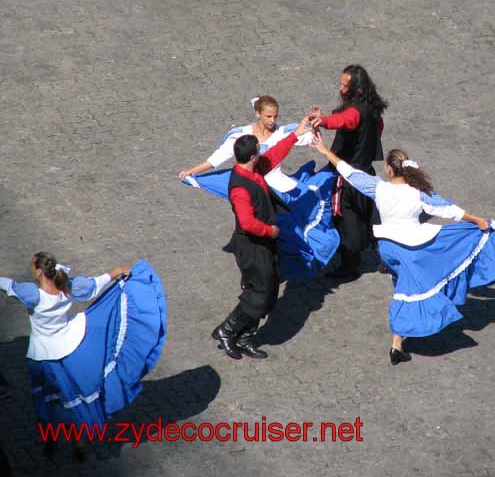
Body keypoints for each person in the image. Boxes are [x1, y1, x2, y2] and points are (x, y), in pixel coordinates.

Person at [311, 136, 495, 365]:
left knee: (403, 284)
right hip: (412, 250)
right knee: (413, 287)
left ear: (388, 169)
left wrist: (324, 149)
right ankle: (402, 333)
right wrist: (476, 220)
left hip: (387, 250)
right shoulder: (419, 193)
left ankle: (398, 343)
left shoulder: (378, 187)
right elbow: (449, 211)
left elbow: (348, 172)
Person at [0, 253, 167, 459]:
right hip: (71, 347)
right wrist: (117, 272)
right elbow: (95, 285)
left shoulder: (33, 294)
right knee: (73, 395)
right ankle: (79, 443)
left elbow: (7, 284)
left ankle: (51, 440)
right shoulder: (67, 285)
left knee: (47, 399)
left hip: (43, 355)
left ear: (39, 271)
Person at [179, 96, 339, 280]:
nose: (272, 121)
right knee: (258, 222)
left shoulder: (282, 134)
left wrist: (314, 123)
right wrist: (191, 171)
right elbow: (215, 160)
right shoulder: (243, 138)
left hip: (278, 190)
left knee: (290, 225)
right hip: (256, 188)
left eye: (275, 117)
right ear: (258, 114)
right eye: (268, 116)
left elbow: (301, 142)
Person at [212, 119, 309, 360]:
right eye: (259, 151)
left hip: (263, 245)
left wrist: (296, 134)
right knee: (259, 292)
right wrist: (270, 231)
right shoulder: (240, 187)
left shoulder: (254, 170)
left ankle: (245, 337)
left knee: (269, 288)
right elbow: (247, 223)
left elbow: (275, 155)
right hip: (252, 246)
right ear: (253, 155)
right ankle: (227, 330)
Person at [308, 65, 388, 278]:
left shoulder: (355, 111)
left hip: (348, 174)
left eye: (345, 85)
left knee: (345, 216)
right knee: (370, 213)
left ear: (356, 88)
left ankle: (350, 262)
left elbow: (343, 120)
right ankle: (383, 251)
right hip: (365, 169)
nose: (341, 88)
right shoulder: (372, 107)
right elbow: (377, 129)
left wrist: (322, 121)